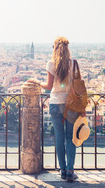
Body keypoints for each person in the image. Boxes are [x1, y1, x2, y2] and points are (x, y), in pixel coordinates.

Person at [29, 36, 85, 182]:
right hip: (71, 105)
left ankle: (62, 170)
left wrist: (36, 81)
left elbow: (48, 86)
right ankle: (70, 171)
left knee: (59, 138)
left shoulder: (51, 63)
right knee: (71, 138)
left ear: (55, 49)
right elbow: (78, 86)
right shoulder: (73, 63)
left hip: (55, 104)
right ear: (67, 49)